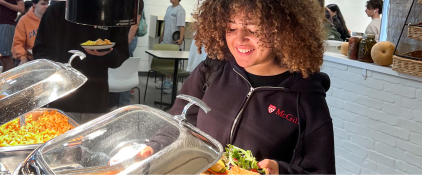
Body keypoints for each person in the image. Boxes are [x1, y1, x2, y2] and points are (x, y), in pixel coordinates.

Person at [143, 0, 336, 174]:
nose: (239, 39)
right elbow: (177, 125)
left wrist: (280, 171)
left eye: (253, 29)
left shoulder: (306, 99)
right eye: (231, 28)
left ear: (284, 30)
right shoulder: (211, 71)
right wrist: (154, 147)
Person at [33, 1, 129, 124]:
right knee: (59, 139)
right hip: (60, 98)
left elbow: (121, 54)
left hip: (95, 98)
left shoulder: (112, 12)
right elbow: (41, 51)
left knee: (92, 141)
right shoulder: (57, 10)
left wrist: (108, 54)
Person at [110, 0, 144, 108]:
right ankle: (117, 103)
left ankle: (122, 105)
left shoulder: (137, 2)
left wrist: (125, 43)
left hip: (127, 39)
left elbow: (135, 24)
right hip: (120, 38)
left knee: (123, 72)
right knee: (119, 71)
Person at [156, 0, 186, 91]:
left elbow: (181, 26)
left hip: (174, 41)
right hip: (166, 39)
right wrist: (162, 35)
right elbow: (165, 23)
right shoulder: (169, 8)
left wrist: (181, 38)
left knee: (172, 62)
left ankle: (171, 83)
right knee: (166, 61)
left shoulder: (180, 10)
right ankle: (167, 81)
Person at [0, 0, 25, 72]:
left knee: (6, 56)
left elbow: (21, 8)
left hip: (7, 24)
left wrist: (2, 2)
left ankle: (11, 80)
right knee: (1, 55)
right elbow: (5, 8)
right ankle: (5, 78)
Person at [11, 0, 48, 66]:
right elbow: (17, 43)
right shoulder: (24, 20)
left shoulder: (51, 19)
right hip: (30, 60)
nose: (46, 6)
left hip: (47, 59)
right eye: (43, 4)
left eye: (47, 4)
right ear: (34, 4)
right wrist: (23, 58)